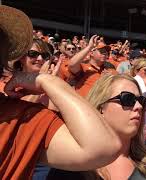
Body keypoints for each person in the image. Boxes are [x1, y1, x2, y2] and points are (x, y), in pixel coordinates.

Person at [0, 5, 121, 179]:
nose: (40, 59)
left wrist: (47, 81)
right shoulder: (8, 89)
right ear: (19, 59)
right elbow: (73, 65)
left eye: (45, 55)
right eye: (33, 54)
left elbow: (101, 147)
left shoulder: (21, 114)